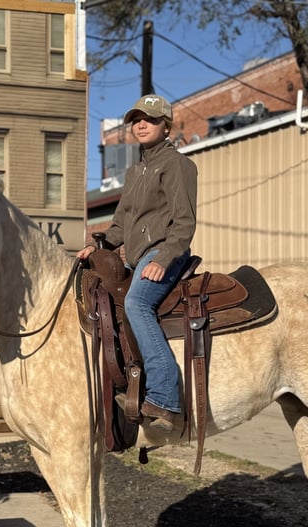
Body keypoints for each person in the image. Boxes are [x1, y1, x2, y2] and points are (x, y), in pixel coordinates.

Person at [78, 94, 197, 432]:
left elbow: (184, 222)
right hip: (136, 258)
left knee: (136, 303)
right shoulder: (134, 172)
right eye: (136, 120)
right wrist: (97, 245)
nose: (142, 125)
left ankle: (165, 397)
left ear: (166, 126)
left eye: (151, 119)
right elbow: (119, 226)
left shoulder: (178, 165)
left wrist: (164, 259)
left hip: (164, 253)